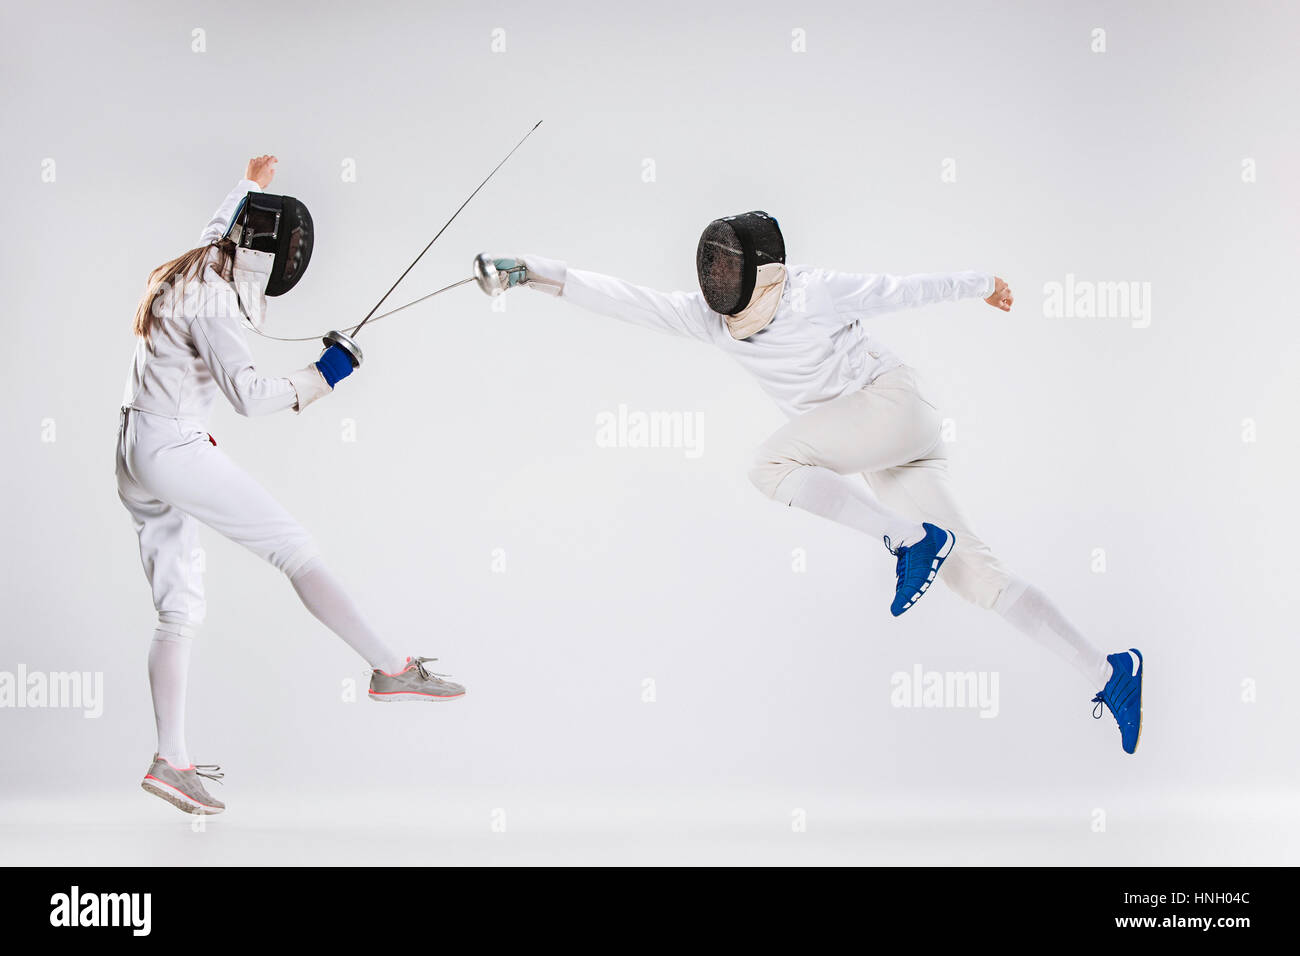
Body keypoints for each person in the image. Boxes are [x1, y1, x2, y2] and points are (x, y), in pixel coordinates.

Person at [479, 211, 1143, 754]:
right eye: (711, 264)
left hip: (892, 406)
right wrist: (533, 274)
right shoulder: (715, 323)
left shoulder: (813, 293)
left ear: (763, 269)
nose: (716, 277)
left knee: (771, 465)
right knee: (977, 578)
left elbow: (902, 288)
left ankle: (910, 541)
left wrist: (982, 281)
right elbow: (630, 301)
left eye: (728, 264)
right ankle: (1110, 672)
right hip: (881, 443)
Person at [118, 156, 465, 815]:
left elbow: (223, 220)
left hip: (135, 449)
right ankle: (391, 668)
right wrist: (327, 371)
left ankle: (172, 760)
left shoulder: (201, 258)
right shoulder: (213, 298)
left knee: (179, 608)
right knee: (295, 547)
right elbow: (248, 397)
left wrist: (250, 181)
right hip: (172, 449)